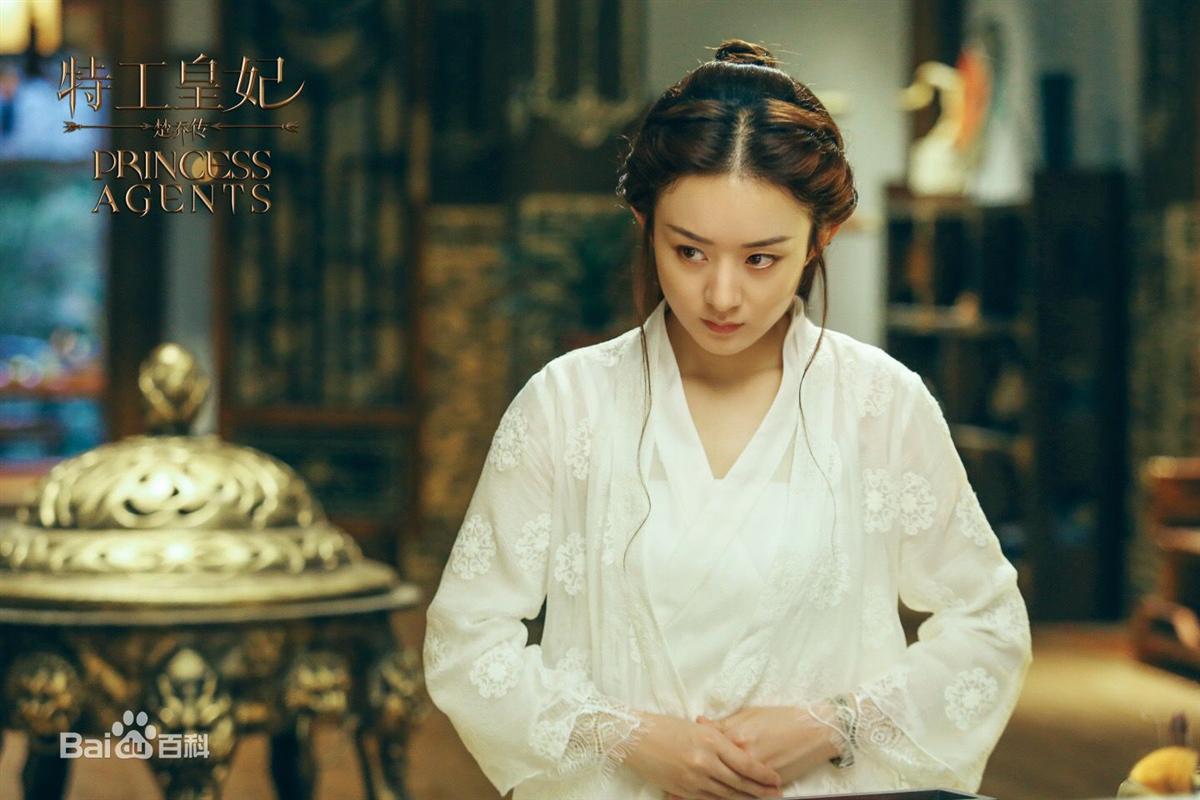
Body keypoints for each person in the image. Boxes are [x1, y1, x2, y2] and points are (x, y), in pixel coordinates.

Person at [424, 38, 1033, 800]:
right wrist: (627, 736)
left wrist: (834, 724)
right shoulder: (566, 405)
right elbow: (467, 643)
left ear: (820, 239)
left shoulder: (881, 405)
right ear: (645, 221)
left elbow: (988, 628)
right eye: (689, 252)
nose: (720, 295)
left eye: (760, 259)